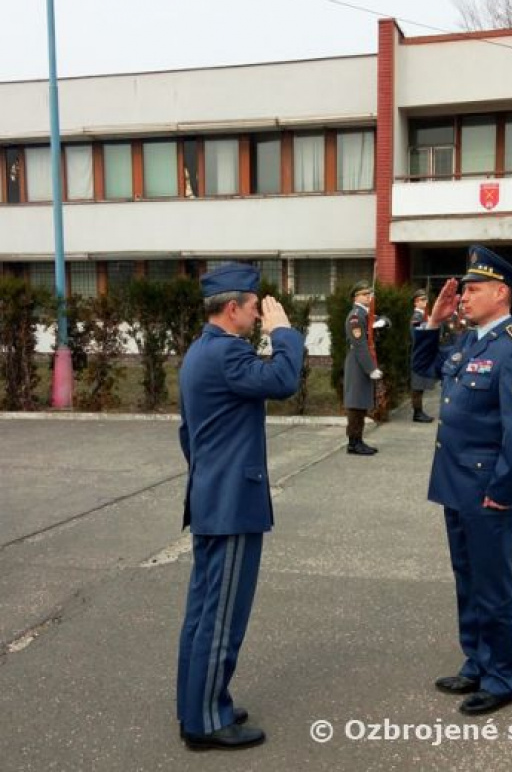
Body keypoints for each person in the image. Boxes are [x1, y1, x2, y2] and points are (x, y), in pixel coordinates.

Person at [412, 246, 512, 716]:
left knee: (493, 584)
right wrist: (433, 322)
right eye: (463, 289)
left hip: (488, 490)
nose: (463, 296)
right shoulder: (472, 342)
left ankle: (502, 676)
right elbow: (425, 370)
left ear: (500, 292)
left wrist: (503, 490)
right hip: (456, 484)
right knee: (467, 578)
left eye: (473, 289)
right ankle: (477, 660)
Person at [176, 263, 304, 750]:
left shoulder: (201, 351)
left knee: (203, 611)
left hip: (213, 495)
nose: (258, 316)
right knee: (221, 616)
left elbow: (187, 433)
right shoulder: (228, 354)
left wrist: (210, 475)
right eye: (254, 308)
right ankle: (207, 721)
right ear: (233, 309)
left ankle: (198, 705)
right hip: (230, 504)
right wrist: (285, 332)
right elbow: (284, 378)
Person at [343, 280, 382, 456]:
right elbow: (359, 345)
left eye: (370, 294)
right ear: (355, 297)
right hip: (358, 362)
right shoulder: (355, 316)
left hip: (363, 361)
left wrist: (382, 323)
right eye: (365, 294)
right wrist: (370, 368)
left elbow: (380, 322)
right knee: (356, 403)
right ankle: (353, 442)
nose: (369, 297)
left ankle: (358, 439)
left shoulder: (366, 314)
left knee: (361, 403)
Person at [409, 289, 435, 423]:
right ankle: (417, 413)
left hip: (423, 354)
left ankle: (419, 412)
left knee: (421, 385)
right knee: (417, 386)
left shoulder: (424, 316)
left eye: (426, 299)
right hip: (419, 354)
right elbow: (416, 336)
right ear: (416, 302)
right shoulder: (416, 317)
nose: (425, 302)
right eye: (422, 300)